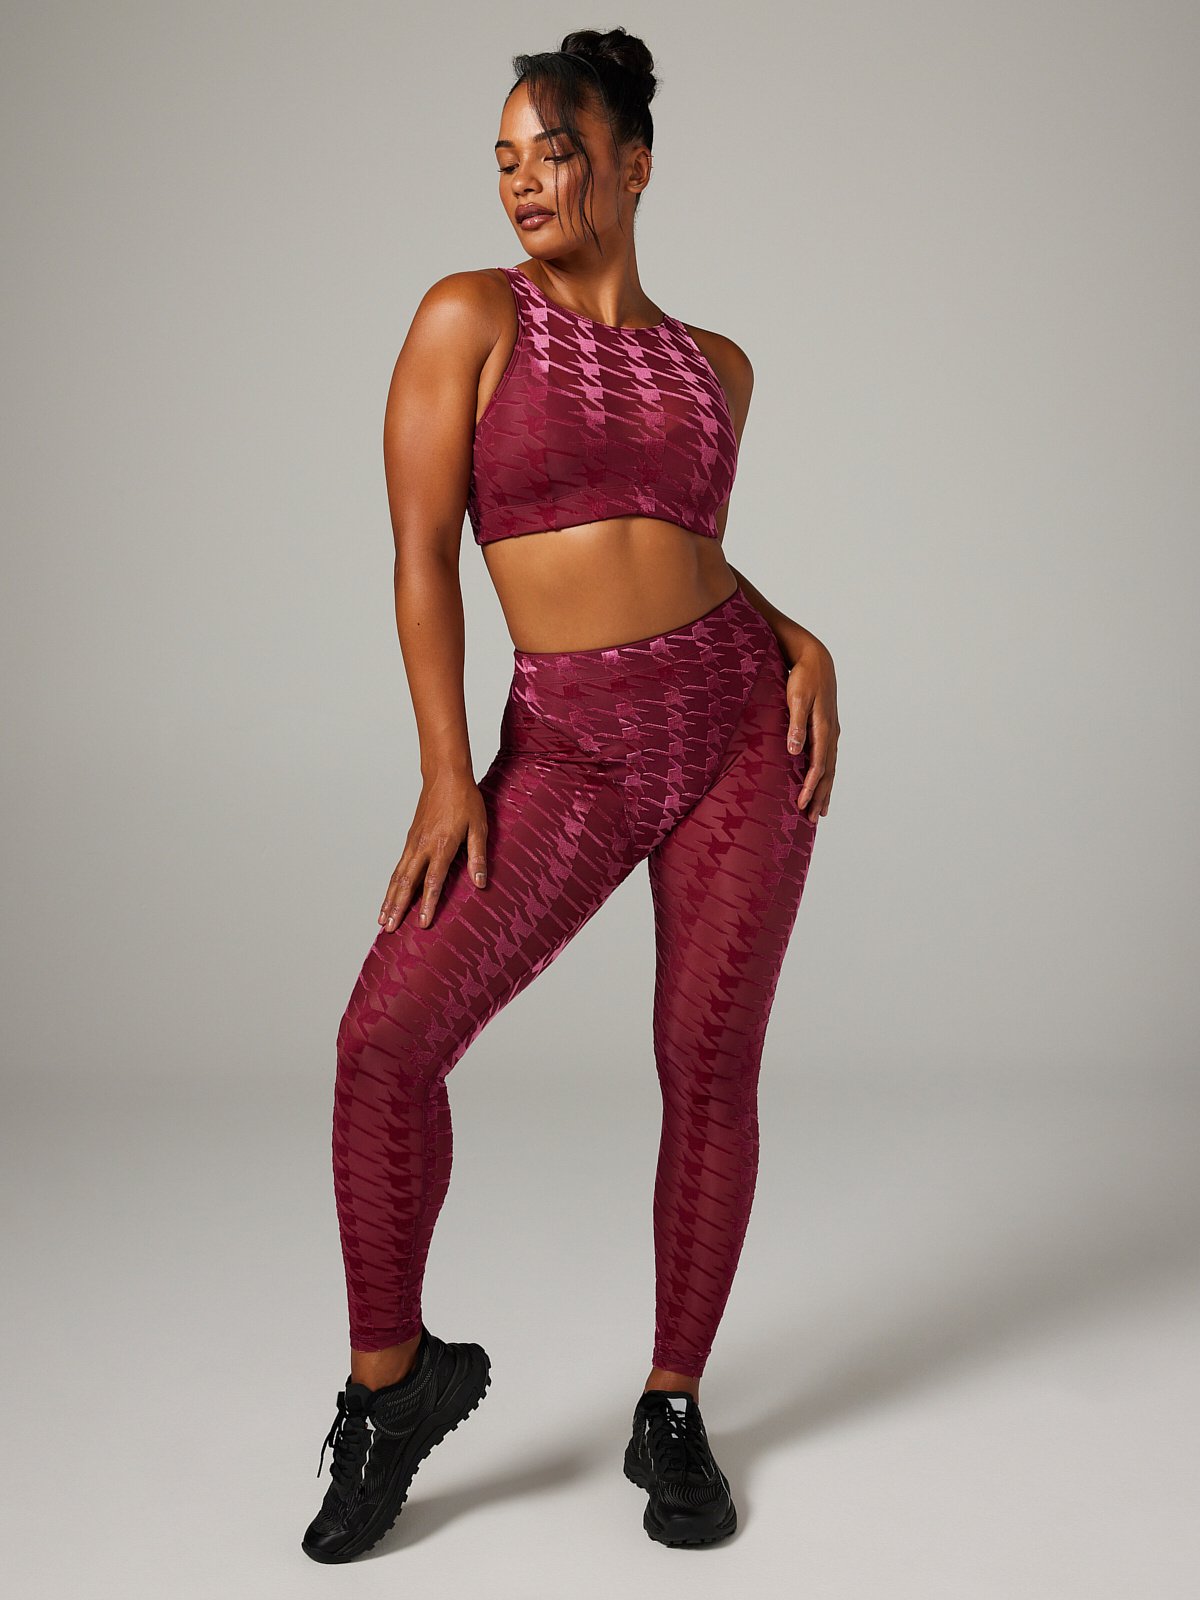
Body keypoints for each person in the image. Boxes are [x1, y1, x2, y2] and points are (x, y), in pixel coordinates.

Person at [301, 26, 841, 1563]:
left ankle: (672, 1404)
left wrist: (795, 635)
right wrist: (444, 771)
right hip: (571, 749)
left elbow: (681, 557)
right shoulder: (470, 317)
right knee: (385, 1041)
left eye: (555, 151)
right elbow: (423, 555)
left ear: (633, 165)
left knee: (707, 1064)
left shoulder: (721, 368)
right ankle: (392, 1388)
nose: (523, 181)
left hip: (739, 730)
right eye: (505, 158)